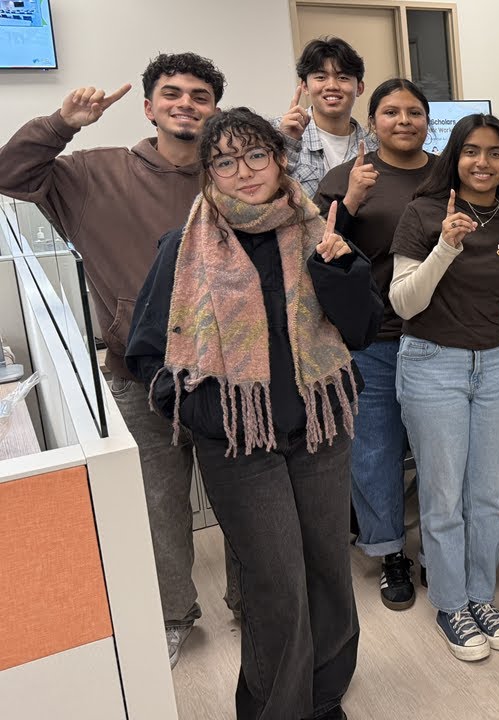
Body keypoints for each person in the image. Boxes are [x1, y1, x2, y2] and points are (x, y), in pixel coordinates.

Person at [126, 107, 380, 720]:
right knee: (277, 589)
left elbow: (365, 328)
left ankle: (323, 699)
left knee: (327, 574)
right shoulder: (185, 249)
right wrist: (208, 411)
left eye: (256, 156)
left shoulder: (321, 232)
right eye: (225, 161)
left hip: (319, 433)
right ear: (208, 173)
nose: (243, 172)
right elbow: (146, 354)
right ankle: (276, 710)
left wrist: (340, 269)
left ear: (280, 157)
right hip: (239, 448)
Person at [0, 52, 226, 667]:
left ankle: (251, 602)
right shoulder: (91, 174)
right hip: (139, 377)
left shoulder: (229, 178)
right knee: (158, 509)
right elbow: (10, 173)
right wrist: (62, 122)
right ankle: (175, 615)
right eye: (172, 94)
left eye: (200, 96)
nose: (186, 104)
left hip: (232, 378)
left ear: (214, 110)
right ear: (149, 106)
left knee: (243, 502)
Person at [390, 113, 499, 661]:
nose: (484, 163)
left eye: (495, 153)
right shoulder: (425, 213)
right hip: (433, 364)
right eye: (472, 151)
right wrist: (445, 248)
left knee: (489, 495)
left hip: (497, 364)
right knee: (443, 495)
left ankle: (480, 594)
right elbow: (404, 301)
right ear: (454, 156)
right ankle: (451, 602)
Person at [315, 78, 433, 611]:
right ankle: (390, 554)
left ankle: (437, 547)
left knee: (438, 454)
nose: (404, 120)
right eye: (391, 112)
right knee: (376, 451)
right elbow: (314, 253)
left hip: (439, 338)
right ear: (374, 119)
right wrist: (350, 202)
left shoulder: (449, 173)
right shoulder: (346, 177)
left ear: (428, 120)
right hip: (373, 338)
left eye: (414, 112)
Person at [277, 36, 377, 197]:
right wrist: (287, 143)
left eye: (343, 77)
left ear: (359, 88)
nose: (331, 86)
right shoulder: (275, 134)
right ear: (305, 86)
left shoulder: (374, 147)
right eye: (320, 77)